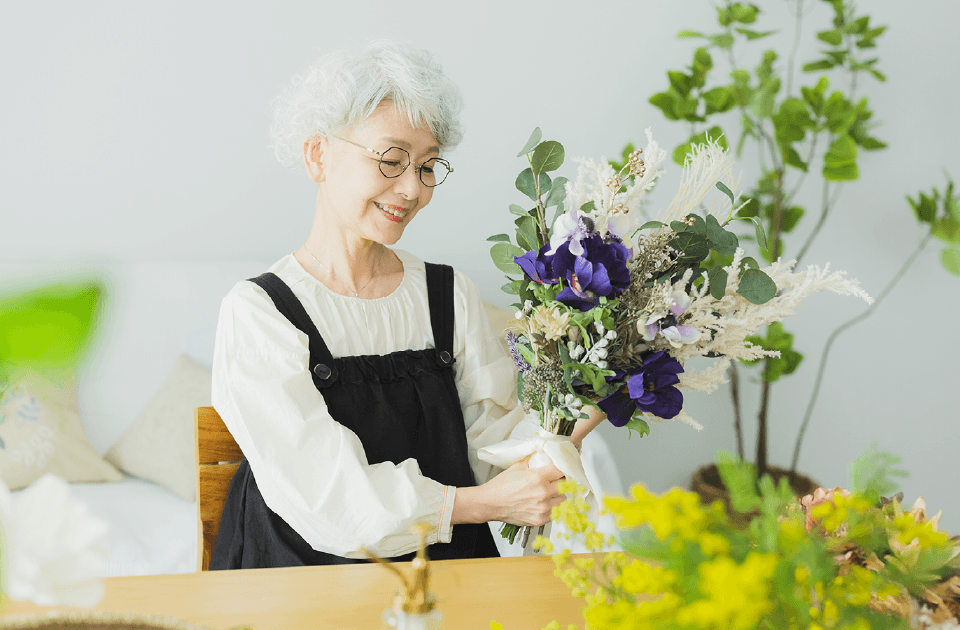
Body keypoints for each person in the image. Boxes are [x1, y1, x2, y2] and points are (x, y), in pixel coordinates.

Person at [209, 41, 601, 570]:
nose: (412, 189)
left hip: (441, 570)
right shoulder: (260, 313)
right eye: (392, 161)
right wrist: (478, 504)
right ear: (317, 154)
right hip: (301, 577)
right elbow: (328, 497)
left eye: (428, 166)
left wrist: (602, 389)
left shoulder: (447, 294)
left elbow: (495, 454)